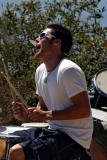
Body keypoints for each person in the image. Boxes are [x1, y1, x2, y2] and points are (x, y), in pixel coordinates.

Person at [8, 23, 93, 160]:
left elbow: (84, 110)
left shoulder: (68, 70)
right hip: (52, 131)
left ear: (57, 43)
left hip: (73, 138)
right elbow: (43, 107)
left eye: (42, 36)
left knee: (16, 152)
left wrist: (46, 115)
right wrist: (27, 115)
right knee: (4, 143)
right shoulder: (40, 71)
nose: (37, 39)